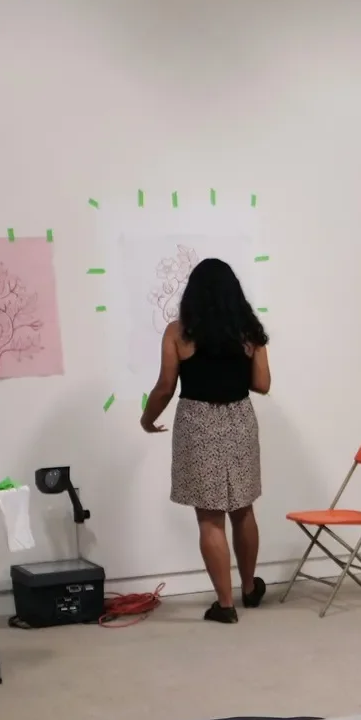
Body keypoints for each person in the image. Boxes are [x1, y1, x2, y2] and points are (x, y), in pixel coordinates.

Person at [141, 259, 272, 624]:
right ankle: (249, 588)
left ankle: (225, 605)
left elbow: (166, 387)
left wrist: (147, 419)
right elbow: (262, 385)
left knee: (210, 519)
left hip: (198, 423)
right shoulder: (249, 332)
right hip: (239, 420)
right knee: (243, 509)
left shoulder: (178, 332)